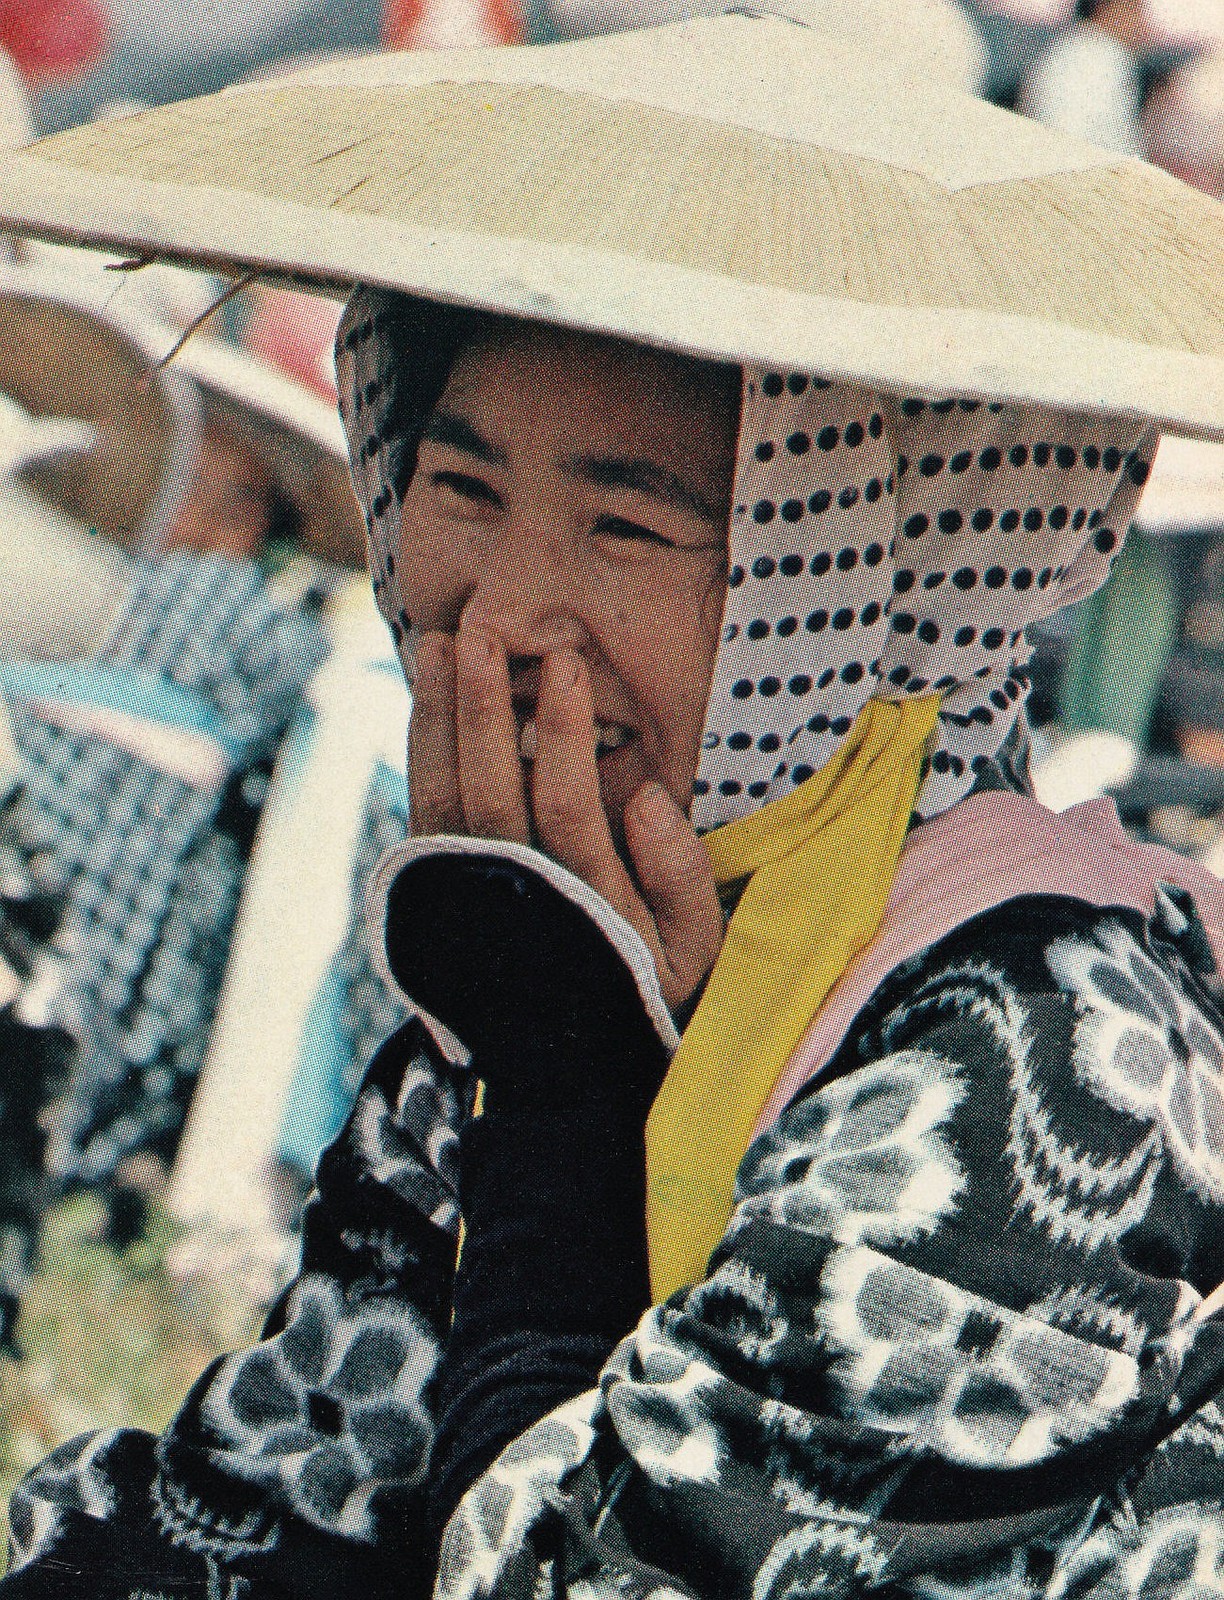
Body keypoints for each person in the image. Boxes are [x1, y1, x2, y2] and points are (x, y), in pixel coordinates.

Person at [1, 11, 1224, 1600]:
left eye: (625, 531)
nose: (502, 618)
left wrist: (570, 1115)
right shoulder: (550, 957)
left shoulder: (1054, 1055)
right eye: (460, 490)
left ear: (846, 583)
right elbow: (283, 1496)